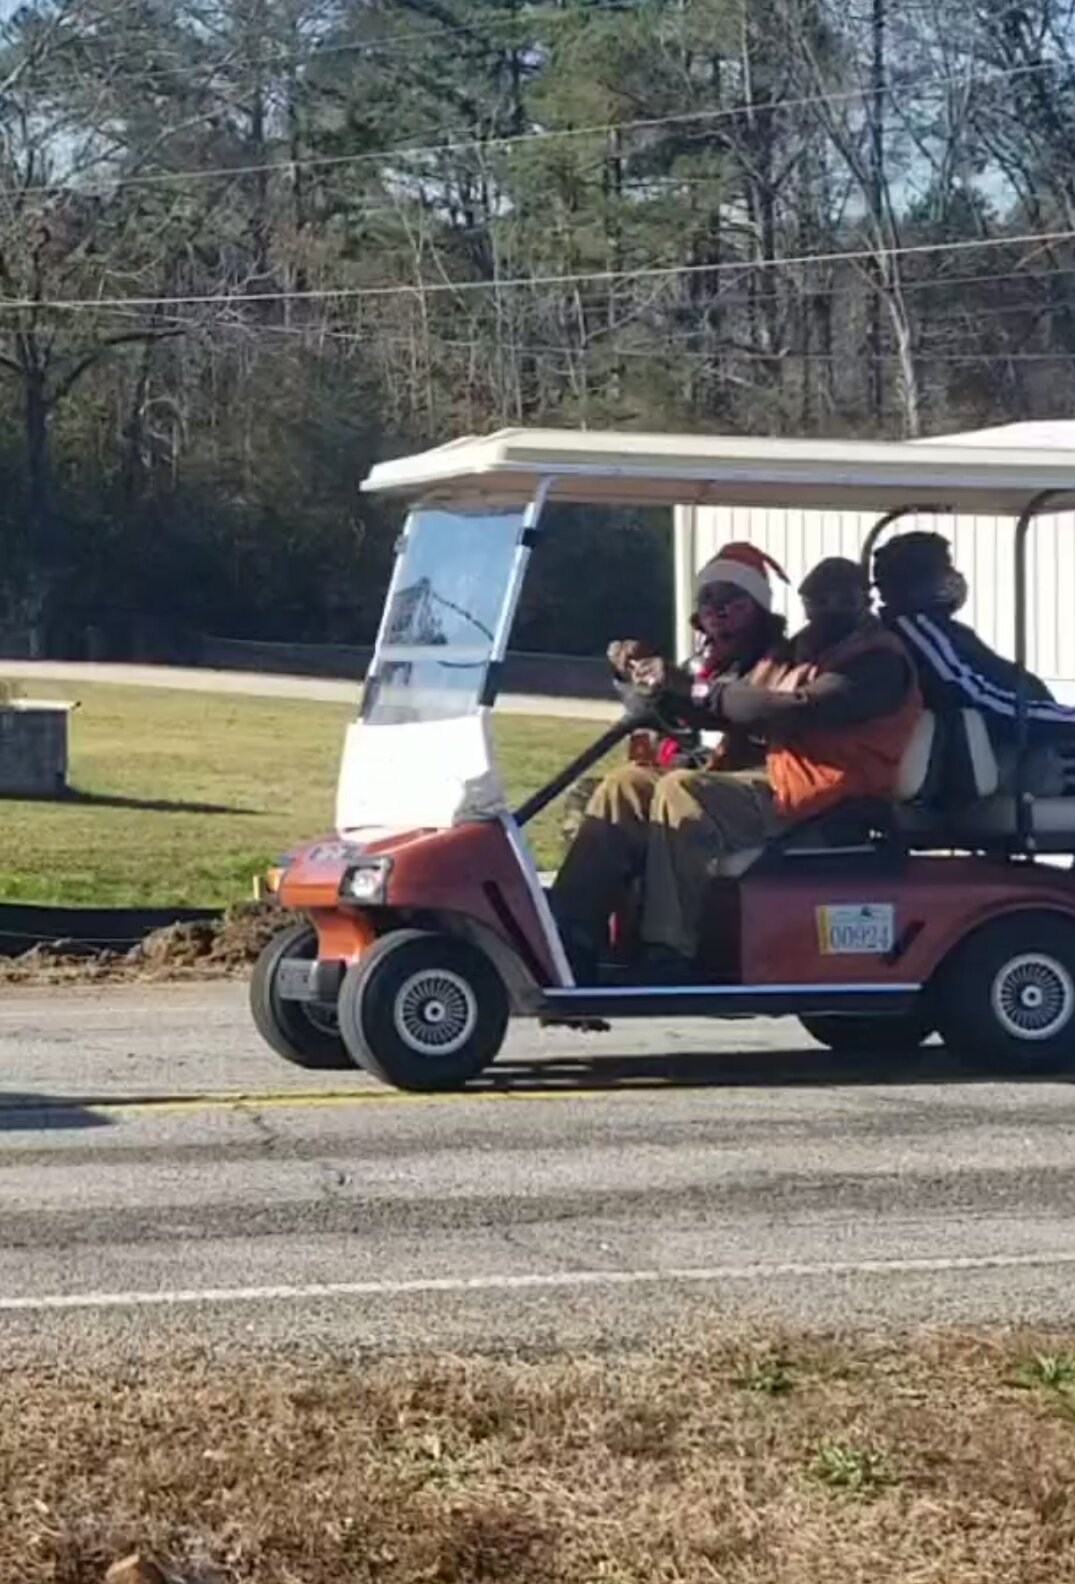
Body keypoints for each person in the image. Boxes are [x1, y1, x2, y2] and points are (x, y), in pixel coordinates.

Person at [551, 557, 921, 980]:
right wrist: (649, 678)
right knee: (628, 784)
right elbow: (733, 707)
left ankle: (667, 951)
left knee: (684, 790)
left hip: (830, 795)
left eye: (841, 600)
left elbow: (794, 710)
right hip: (777, 777)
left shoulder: (876, 662)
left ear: (865, 601)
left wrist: (692, 688)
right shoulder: (803, 652)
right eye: (817, 601)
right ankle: (571, 930)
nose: (826, 610)